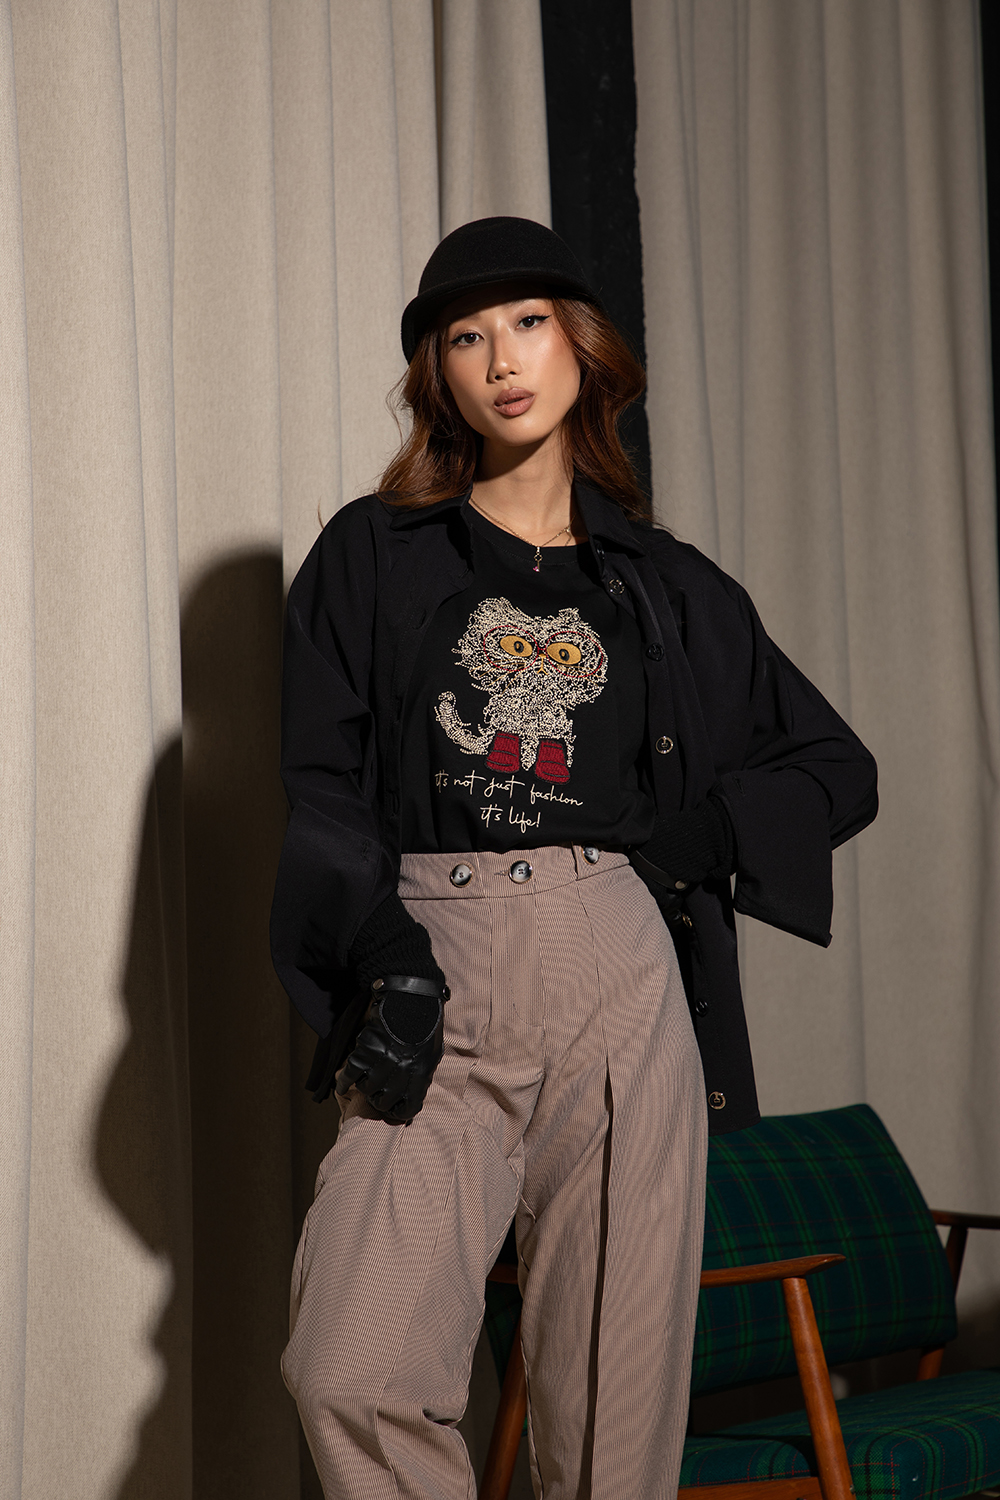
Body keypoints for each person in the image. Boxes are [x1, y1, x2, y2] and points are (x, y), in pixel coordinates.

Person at [270, 216, 878, 1500]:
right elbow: (320, 784)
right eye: (465, 337)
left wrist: (683, 843)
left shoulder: (667, 584)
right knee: (349, 1370)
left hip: (612, 970)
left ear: (583, 346)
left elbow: (836, 766)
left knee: (612, 1422)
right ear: (436, 373)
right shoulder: (370, 554)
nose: (502, 359)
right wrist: (383, 956)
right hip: (427, 966)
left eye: (529, 323)